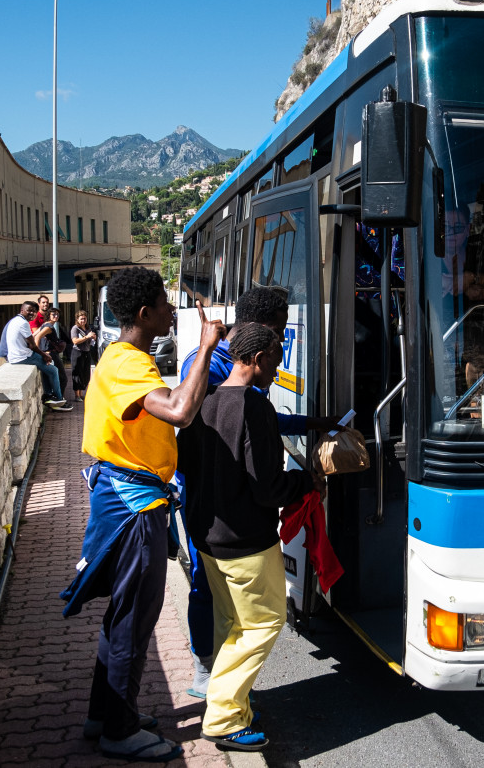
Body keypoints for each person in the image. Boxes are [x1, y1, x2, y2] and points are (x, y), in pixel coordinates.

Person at [59, 267, 225, 762]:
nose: (172, 311)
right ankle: (120, 728)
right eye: (164, 303)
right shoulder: (128, 363)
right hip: (135, 508)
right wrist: (210, 345)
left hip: (125, 497)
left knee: (122, 615)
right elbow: (178, 410)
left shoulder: (120, 358)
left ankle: (103, 713)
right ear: (143, 314)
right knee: (134, 619)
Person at [176, 287, 340, 702]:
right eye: (279, 336)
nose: (282, 349)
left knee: (233, 604)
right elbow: (213, 426)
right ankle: (205, 669)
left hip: (233, 495)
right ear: (260, 337)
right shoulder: (205, 368)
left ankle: (227, 685)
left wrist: (314, 423)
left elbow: (257, 422)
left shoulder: (244, 371)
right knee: (206, 585)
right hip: (212, 497)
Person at [1, 300, 68, 410]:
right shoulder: (24, 323)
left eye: (34, 311)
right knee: (53, 370)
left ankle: (49, 395)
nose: (32, 313)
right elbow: (33, 344)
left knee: (47, 368)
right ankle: (58, 399)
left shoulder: (15, 321)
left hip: (15, 356)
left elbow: (32, 336)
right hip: (23, 357)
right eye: (29, 311)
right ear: (22, 310)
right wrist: (44, 355)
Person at [34, 308, 69, 400]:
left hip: (46, 355)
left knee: (50, 378)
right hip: (51, 355)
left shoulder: (44, 325)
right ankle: (59, 400)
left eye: (57, 314)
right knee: (63, 378)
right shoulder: (48, 326)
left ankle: (54, 399)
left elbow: (33, 335)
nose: (56, 316)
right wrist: (37, 353)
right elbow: (37, 337)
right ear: (48, 315)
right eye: (53, 314)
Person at [69, 309, 96, 401]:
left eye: (84, 319)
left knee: (85, 374)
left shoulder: (88, 328)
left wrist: (93, 338)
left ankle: (81, 394)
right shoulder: (75, 328)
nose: (83, 321)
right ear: (77, 319)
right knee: (77, 374)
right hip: (77, 353)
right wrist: (87, 337)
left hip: (86, 352)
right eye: (81, 319)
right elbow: (75, 341)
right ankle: (77, 395)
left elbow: (90, 341)